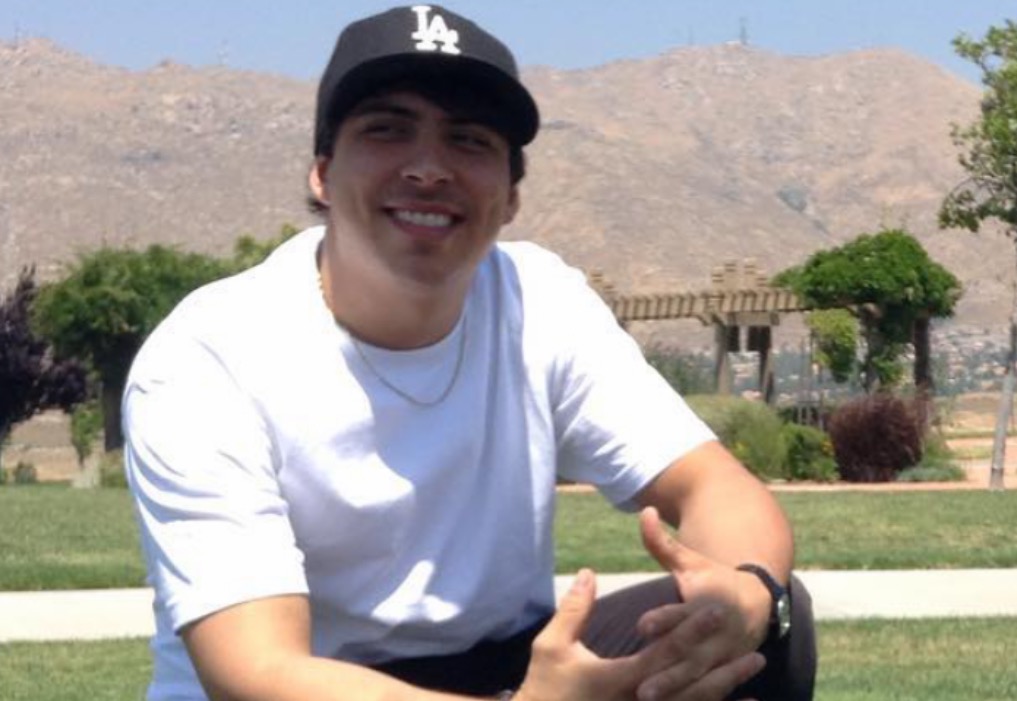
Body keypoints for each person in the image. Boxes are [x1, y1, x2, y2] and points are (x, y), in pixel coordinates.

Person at [123, 5, 816, 701]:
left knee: (753, 627)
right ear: (323, 174)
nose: (428, 169)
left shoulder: (539, 301)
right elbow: (257, 671)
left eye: (469, 140)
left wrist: (750, 594)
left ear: (511, 196)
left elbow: (712, 485)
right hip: (310, 679)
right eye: (387, 129)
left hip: (500, 665)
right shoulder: (208, 357)